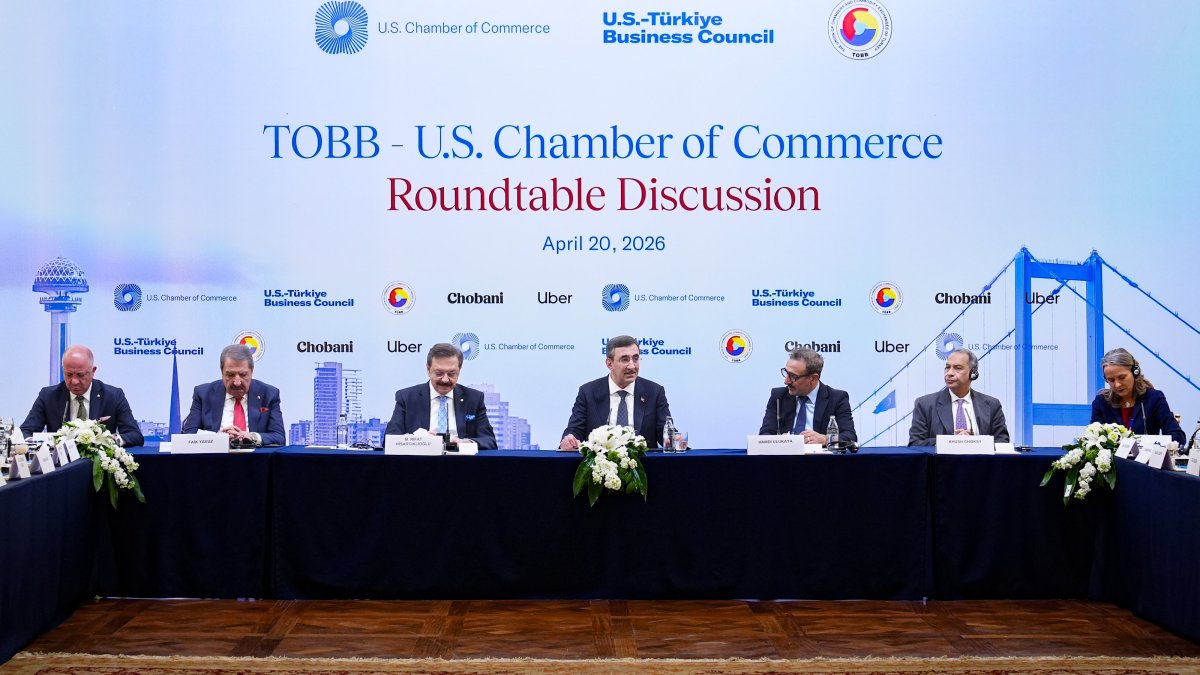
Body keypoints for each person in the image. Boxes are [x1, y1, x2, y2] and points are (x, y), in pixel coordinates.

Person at [559, 335, 673, 451]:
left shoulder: (654, 392)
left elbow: (665, 431)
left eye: (635, 358)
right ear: (609, 364)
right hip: (600, 466)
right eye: (624, 359)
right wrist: (570, 439)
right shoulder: (588, 392)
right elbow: (575, 430)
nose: (632, 366)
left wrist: (674, 438)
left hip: (644, 466)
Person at [20, 345, 144, 447]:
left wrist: (111, 440)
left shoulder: (113, 396)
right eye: (68, 375)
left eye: (80, 375)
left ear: (93, 371)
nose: (74, 381)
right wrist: (40, 444)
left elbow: (135, 435)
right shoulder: (48, 396)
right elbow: (25, 432)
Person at [384, 342, 497, 449]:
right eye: (439, 373)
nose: (445, 379)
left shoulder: (474, 398)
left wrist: (465, 443)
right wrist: (418, 440)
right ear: (428, 370)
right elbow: (389, 440)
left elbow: (489, 440)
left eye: (452, 373)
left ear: (460, 370)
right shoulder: (407, 397)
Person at [182, 344, 285, 446]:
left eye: (243, 375)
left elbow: (279, 437)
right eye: (230, 375)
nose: (237, 382)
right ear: (222, 372)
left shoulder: (269, 394)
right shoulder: (203, 393)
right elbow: (189, 435)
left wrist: (251, 437)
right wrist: (218, 438)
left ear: (252, 371)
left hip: (255, 459)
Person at [908, 348, 1009, 446]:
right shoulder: (924, 404)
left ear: (973, 373)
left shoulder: (992, 404)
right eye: (947, 367)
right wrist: (952, 442)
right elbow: (915, 444)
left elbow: (1003, 443)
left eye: (958, 368)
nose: (949, 373)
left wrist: (974, 442)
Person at [758, 347, 856, 445]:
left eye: (793, 376)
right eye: (786, 373)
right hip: (785, 458)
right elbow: (764, 435)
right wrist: (779, 441)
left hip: (820, 459)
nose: (786, 381)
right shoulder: (778, 396)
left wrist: (825, 439)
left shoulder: (837, 398)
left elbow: (850, 436)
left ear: (813, 378)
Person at [1090, 347, 1185, 445]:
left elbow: (1178, 437)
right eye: (1111, 380)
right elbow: (1092, 439)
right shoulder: (1101, 402)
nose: (1117, 384)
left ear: (1135, 372)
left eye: (1122, 377)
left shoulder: (1154, 398)